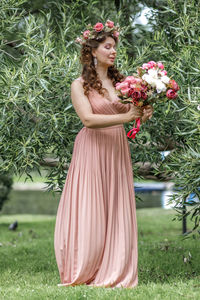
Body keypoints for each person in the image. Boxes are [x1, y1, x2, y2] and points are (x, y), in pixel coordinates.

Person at [54, 20, 153, 289]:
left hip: (116, 147)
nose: (113, 51)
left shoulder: (123, 83)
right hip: (92, 148)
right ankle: (84, 266)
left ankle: (115, 267)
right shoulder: (79, 85)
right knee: (91, 207)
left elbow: (134, 111)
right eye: (107, 47)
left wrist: (142, 111)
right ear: (92, 51)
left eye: (114, 47)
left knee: (115, 206)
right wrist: (127, 116)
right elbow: (87, 119)